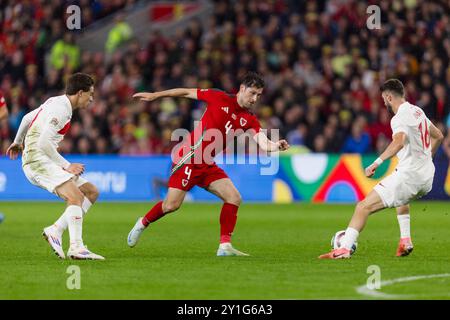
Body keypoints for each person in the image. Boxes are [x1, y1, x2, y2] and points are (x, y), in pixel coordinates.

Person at [127, 72, 290, 256]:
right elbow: (186, 93)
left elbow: (263, 143)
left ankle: (225, 246)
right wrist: (156, 95)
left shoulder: (249, 119)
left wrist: (276, 145)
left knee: (234, 198)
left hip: (207, 163)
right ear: (242, 89)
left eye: (258, 95)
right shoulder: (218, 97)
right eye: (252, 93)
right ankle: (143, 223)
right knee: (171, 205)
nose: (255, 99)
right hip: (190, 158)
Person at [319, 79, 444, 259]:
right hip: (426, 177)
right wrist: (427, 159)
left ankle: (343, 249)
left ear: (388, 96)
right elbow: (438, 136)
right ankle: (405, 240)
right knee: (402, 198)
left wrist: (376, 162)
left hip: (410, 176)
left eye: (384, 99)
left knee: (363, 207)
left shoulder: (399, 117)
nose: (384, 102)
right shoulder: (417, 111)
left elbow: (399, 141)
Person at [6, 73, 104, 260]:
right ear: (80, 93)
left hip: (41, 157)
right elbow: (43, 143)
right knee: (75, 196)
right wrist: (67, 166)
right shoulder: (61, 109)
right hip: (37, 160)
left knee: (91, 192)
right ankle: (76, 247)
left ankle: (56, 229)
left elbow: (27, 118)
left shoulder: (56, 101)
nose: (91, 99)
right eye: (90, 94)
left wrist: (18, 141)